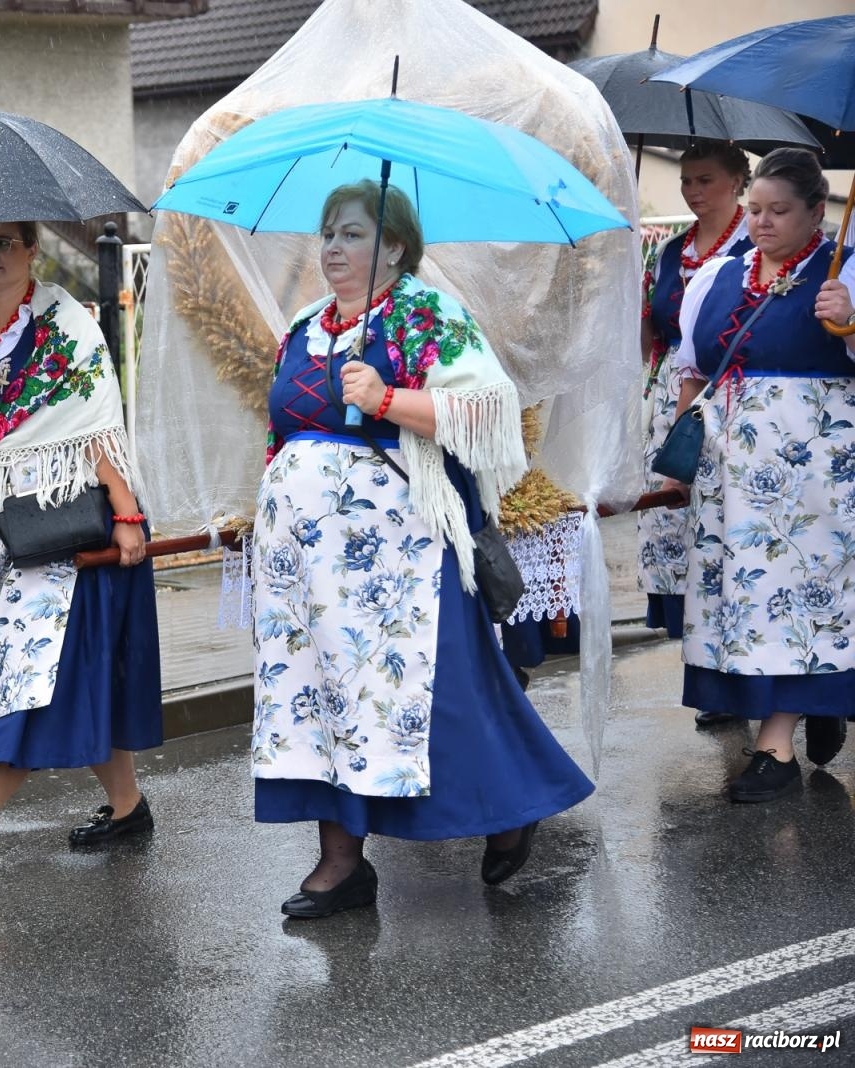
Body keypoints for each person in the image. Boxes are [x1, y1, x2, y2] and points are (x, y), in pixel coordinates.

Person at [250, 180, 594, 919]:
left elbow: (485, 414)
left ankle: (509, 811)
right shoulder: (307, 325)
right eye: (328, 234)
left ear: (396, 246)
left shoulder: (427, 315)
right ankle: (341, 863)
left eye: (351, 234)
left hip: (399, 558)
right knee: (319, 697)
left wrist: (385, 400)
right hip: (308, 569)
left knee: (436, 701)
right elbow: (283, 427)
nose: (333, 249)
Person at [0, 220, 162, 870]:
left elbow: (98, 425)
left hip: (68, 520)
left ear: (31, 248)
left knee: (27, 671)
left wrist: (128, 516)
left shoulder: (67, 325)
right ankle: (128, 806)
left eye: (2, 243)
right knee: (76, 672)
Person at [669, 147, 855, 801]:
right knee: (741, 609)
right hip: (728, 481)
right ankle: (810, 705)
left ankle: (776, 746)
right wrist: (682, 457)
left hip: (812, 484)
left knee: (795, 607)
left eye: (780, 211)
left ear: (815, 212)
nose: (764, 222)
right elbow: (692, 371)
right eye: (756, 210)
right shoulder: (716, 277)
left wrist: (849, 317)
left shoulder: (845, 274)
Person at [640, 142, 753, 727]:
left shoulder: (754, 248)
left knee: (725, 539)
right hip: (668, 399)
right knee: (679, 544)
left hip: (727, 400)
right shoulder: (667, 252)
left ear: (739, 180)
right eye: (685, 180)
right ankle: (714, 674)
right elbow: (651, 339)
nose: (692, 190)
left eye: (705, 179)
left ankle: (746, 677)